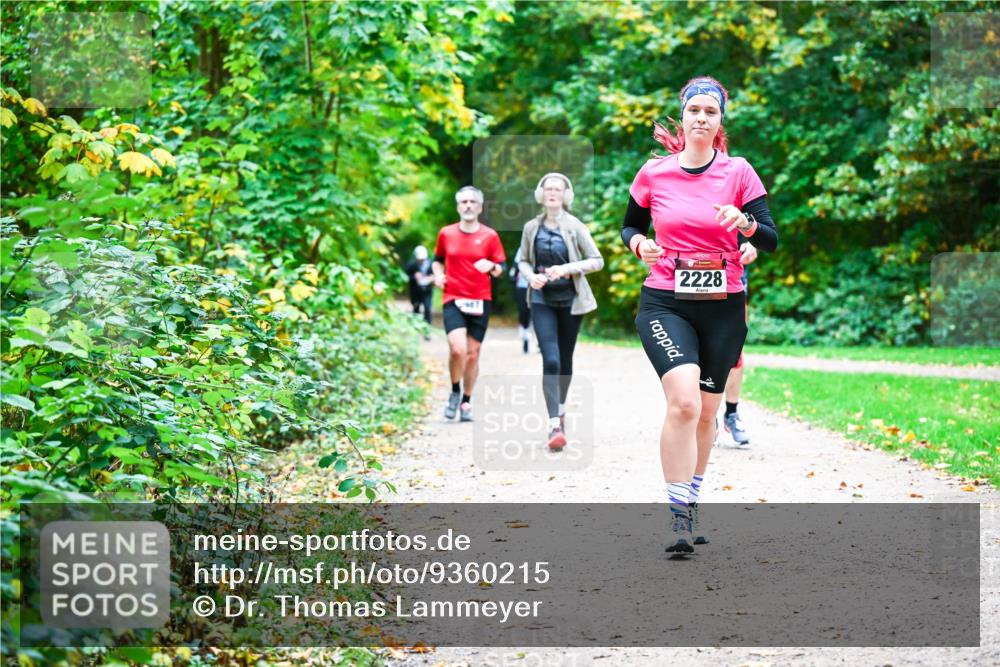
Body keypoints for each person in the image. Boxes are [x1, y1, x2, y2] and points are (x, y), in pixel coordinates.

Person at [621, 76, 777, 554]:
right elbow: (629, 224)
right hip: (665, 300)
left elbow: (769, 237)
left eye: (711, 111)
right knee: (684, 403)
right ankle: (676, 521)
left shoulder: (739, 172)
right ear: (683, 116)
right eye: (695, 111)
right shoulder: (654, 173)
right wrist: (640, 245)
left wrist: (746, 224)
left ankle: (691, 502)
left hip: (723, 306)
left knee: (708, 413)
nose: (702, 118)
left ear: (720, 121)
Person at [517, 173, 603, 450]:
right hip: (542, 299)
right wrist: (531, 277)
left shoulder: (576, 226)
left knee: (565, 361)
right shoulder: (532, 227)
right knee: (551, 360)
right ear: (541, 194)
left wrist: (566, 269)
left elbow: (596, 260)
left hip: (570, 301)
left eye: (558, 188)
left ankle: (561, 409)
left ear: (566, 195)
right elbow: (524, 261)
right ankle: (554, 423)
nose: (553, 192)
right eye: (548, 188)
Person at [433, 186, 506, 422]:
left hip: (480, 299)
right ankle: (454, 391)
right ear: (458, 207)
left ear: (480, 207)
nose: (468, 205)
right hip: (453, 297)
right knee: (458, 349)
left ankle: (466, 401)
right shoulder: (446, 233)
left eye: (472, 202)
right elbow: (437, 261)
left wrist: (492, 266)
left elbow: (500, 269)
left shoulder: (490, 236)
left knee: (473, 355)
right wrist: (437, 274)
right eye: (463, 201)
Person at [509, 248, 533, 354]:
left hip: (540, 287)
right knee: (524, 313)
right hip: (523, 286)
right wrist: (513, 275)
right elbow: (515, 266)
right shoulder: (522, 248)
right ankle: (525, 338)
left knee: (538, 314)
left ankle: (540, 344)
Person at [405, 245, 434, 325]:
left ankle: (427, 327)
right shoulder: (411, 265)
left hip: (427, 291)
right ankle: (416, 327)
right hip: (415, 292)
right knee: (416, 309)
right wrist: (414, 277)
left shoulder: (431, 264)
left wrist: (432, 278)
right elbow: (406, 277)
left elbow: (435, 276)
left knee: (427, 309)